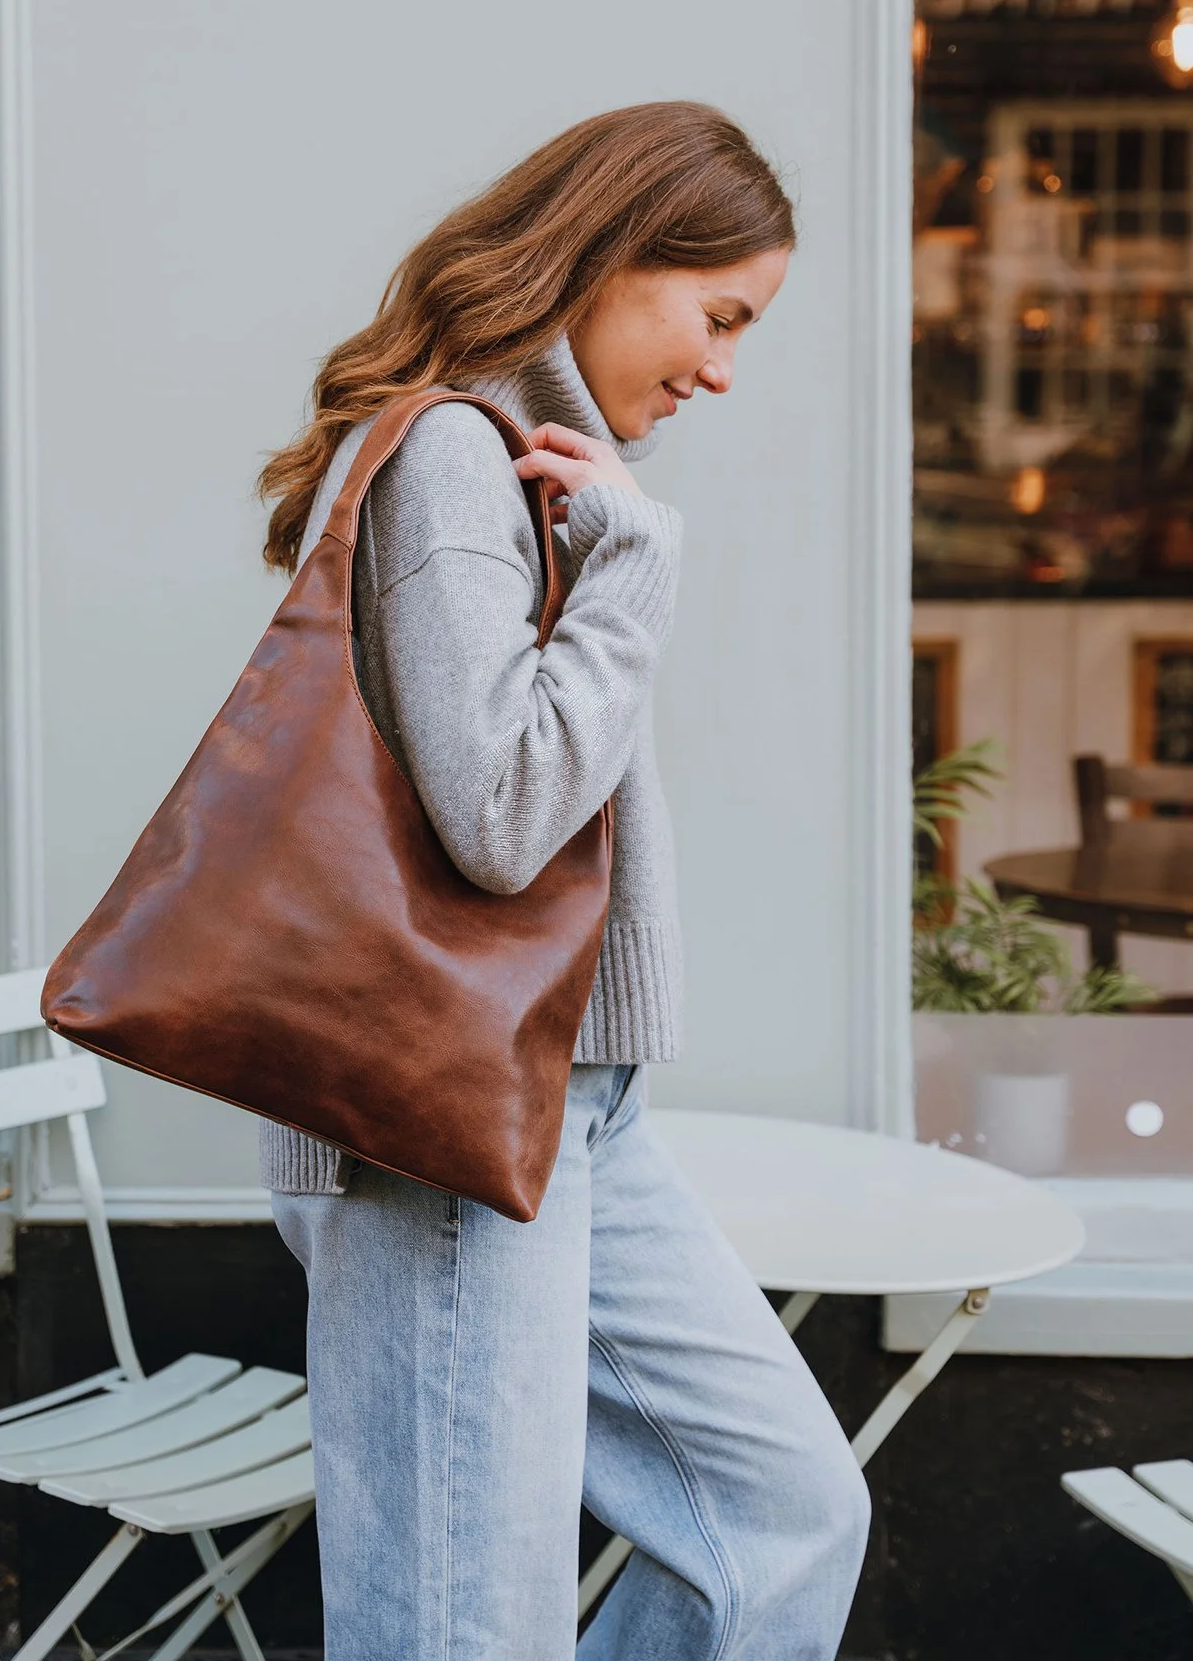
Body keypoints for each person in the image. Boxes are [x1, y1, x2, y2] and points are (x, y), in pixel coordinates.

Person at [257, 101, 870, 1660]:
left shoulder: (536, 471)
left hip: (573, 1102)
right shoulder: (456, 462)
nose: (723, 369)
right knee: (462, 1625)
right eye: (718, 314)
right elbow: (507, 813)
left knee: (783, 1515)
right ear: (608, 256)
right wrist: (637, 566)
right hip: (451, 1121)